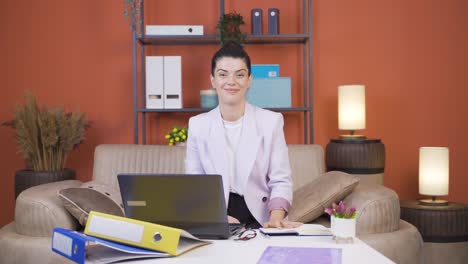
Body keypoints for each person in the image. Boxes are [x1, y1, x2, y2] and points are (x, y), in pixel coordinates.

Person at [185, 42, 301, 229]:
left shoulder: (271, 121)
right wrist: (216, 216)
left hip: (261, 215)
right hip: (216, 213)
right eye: (223, 74)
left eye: (239, 75)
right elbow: (195, 182)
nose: (231, 81)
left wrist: (276, 218)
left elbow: (281, 179)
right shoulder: (197, 125)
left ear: (249, 80)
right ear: (213, 81)